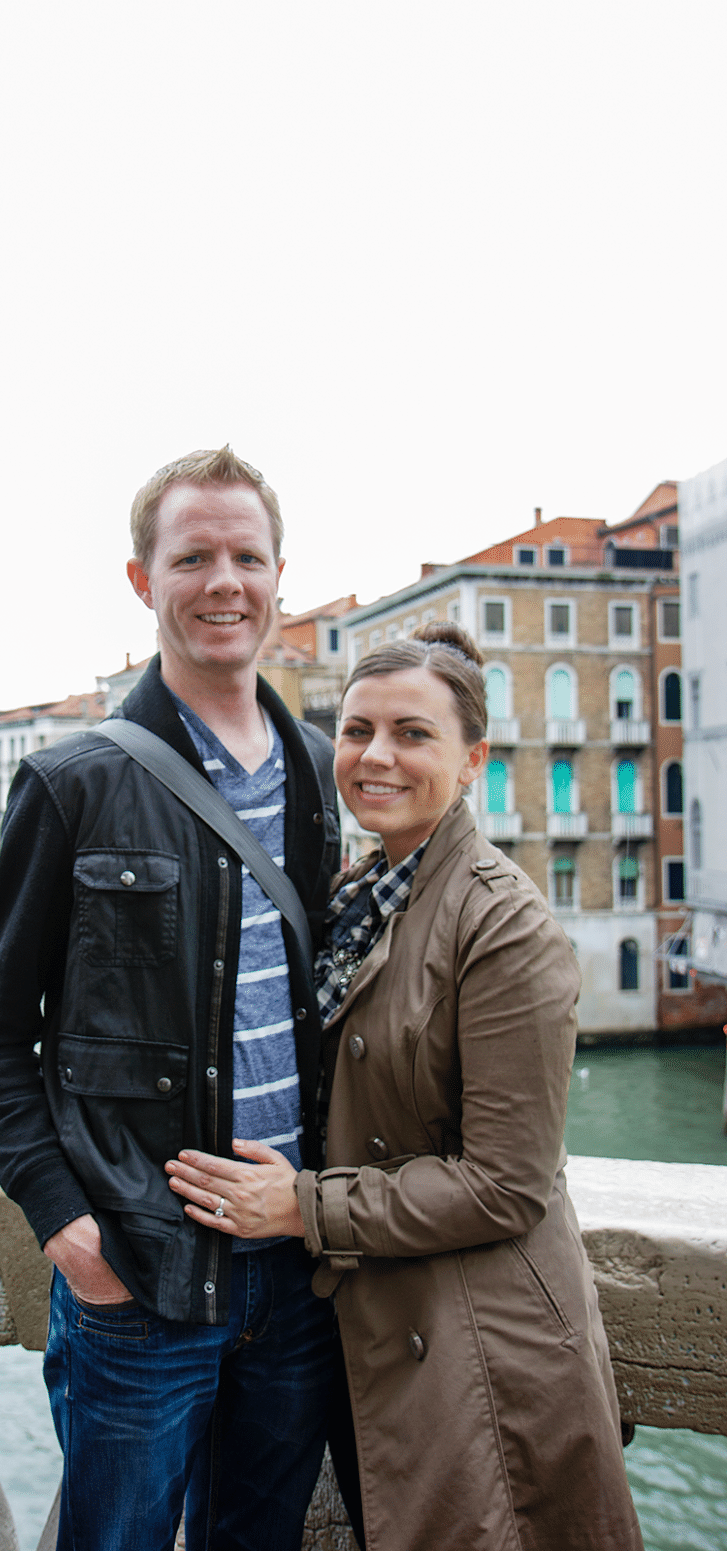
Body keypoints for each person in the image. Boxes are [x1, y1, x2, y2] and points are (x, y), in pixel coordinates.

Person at [166, 622, 645, 1551]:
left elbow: (505, 1183)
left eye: (412, 735)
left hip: (476, 1349)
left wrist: (301, 1207)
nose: (375, 757)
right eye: (356, 731)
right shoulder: (357, 891)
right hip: (375, 1324)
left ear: (472, 762)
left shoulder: (505, 926)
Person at [0, 445, 341, 1551]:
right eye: (193, 557)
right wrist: (69, 1230)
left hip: (294, 1277)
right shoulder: (71, 782)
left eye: (245, 557)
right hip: (144, 1280)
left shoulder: (319, 770)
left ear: (278, 576)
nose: (224, 581)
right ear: (143, 580)